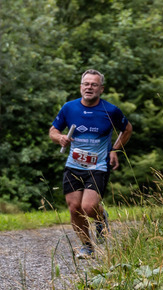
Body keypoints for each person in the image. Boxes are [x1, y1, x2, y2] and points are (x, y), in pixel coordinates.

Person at [49, 69, 133, 258]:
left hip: (98, 166)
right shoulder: (69, 108)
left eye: (94, 84)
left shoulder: (110, 110)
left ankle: (101, 217)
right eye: (86, 84)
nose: (89, 87)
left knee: (88, 207)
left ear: (101, 89)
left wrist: (115, 149)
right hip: (73, 165)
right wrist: (60, 138)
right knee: (74, 208)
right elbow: (53, 130)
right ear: (80, 87)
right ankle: (87, 246)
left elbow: (127, 129)